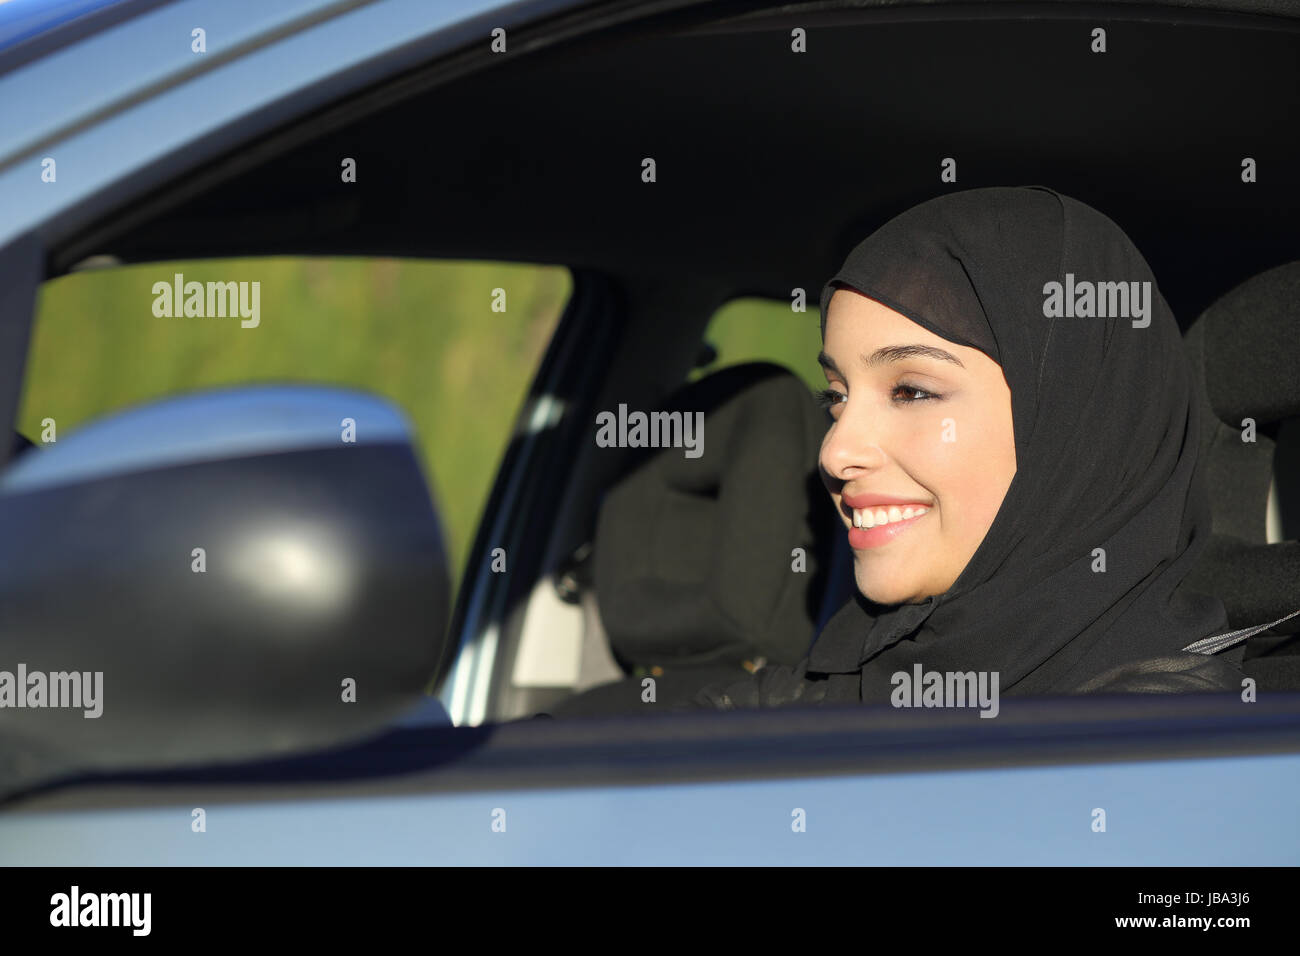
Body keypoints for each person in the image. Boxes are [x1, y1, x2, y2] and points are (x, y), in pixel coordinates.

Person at [694, 185, 1245, 710]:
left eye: (911, 392)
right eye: (834, 397)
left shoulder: (1156, 756)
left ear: (1069, 429)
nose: (836, 453)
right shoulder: (843, 678)